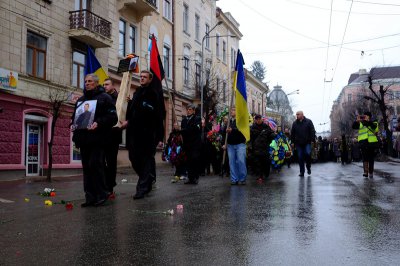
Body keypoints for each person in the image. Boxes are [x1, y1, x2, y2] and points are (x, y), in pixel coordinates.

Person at [71, 74, 118, 207]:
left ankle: (102, 194)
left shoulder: (105, 98)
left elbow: (112, 117)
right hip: (84, 139)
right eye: (85, 81)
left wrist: (98, 123)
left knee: (96, 165)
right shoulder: (81, 100)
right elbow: (75, 117)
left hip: (99, 139)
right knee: (87, 168)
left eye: (90, 81)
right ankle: (90, 197)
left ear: (96, 83)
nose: (87, 83)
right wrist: (72, 124)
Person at [121, 70, 165, 199]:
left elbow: (153, 115)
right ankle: (148, 177)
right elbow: (132, 112)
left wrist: (159, 137)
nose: (142, 78)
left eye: (144, 77)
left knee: (145, 161)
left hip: (147, 135)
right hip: (133, 134)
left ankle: (142, 188)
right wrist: (128, 107)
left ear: (150, 79)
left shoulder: (153, 94)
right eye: (140, 76)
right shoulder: (137, 92)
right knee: (134, 159)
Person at [103, 78, 122, 198]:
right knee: (101, 160)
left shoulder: (119, 98)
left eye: (107, 84)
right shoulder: (102, 97)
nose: (104, 86)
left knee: (111, 162)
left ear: (113, 86)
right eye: (103, 84)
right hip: (102, 134)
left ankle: (110, 187)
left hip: (114, 135)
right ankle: (106, 183)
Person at [223, 107, 247, 185]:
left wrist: (232, 130)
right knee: (232, 162)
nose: (232, 111)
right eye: (231, 110)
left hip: (240, 144)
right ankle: (234, 179)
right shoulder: (228, 122)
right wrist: (224, 143)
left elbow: (242, 130)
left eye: (233, 110)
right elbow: (224, 133)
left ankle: (242, 178)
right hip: (230, 145)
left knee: (241, 161)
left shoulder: (241, 120)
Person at [352, 111, 378, 178]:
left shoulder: (374, 122)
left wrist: (367, 121)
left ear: (370, 117)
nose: (364, 117)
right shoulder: (361, 122)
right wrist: (357, 121)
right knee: (365, 158)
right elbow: (354, 126)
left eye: (366, 116)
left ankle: (371, 172)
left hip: (372, 143)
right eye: (364, 116)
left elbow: (375, 128)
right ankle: (365, 172)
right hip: (363, 142)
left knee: (371, 158)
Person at [180, 104, 202, 184]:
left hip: (195, 144)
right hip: (187, 144)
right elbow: (183, 131)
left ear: (193, 111)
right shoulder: (184, 120)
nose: (188, 111)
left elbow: (196, 129)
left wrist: (185, 130)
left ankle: (195, 177)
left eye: (190, 109)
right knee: (188, 161)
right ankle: (190, 177)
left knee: (194, 159)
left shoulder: (197, 118)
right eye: (187, 109)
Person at [291, 111, 316, 177]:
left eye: (298, 114)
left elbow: (312, 131)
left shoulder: (308, 121)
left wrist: (312, 140)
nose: (297, 115)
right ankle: (302, 172)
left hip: (307, 142)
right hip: (298, 143)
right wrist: (292, 142)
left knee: (308, 154)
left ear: (302, 115)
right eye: (296, 114)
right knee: (300, 157)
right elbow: (292, 133)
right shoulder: (295, 123)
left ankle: (308, 167)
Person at [250, 114, 274, 181]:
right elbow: (250, 137)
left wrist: (273, 135)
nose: (258, 120)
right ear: (255, 120)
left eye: (259, 119)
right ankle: (260, 176)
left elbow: (270, 134)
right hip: (256, 148)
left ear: (261, 119)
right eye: (256, 119)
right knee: (257, 162)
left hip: (265, 147)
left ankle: (266, 173)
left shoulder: (266, 126)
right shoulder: (252, 127)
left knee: (265, 162)